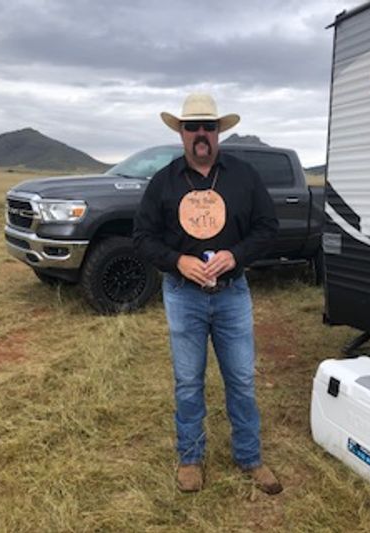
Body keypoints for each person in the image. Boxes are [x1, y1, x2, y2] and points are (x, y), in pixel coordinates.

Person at [133, 93, 282, 495]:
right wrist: (177, 261)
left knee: (241, 380)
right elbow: (142, 237)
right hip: (184, 295)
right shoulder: (164, 181)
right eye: (192, 126)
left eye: (209, 127)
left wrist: (236, 255)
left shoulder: (243, 176)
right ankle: (191, 458)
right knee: (187, 381)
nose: (201, 134)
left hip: (232, 294)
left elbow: (268, 228)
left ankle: (250, 457)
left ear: (219, 132)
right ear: (181, 133)